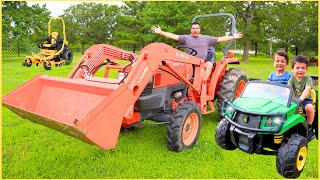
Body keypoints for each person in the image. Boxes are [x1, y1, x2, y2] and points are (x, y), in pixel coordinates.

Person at [151, 22, 243, 81]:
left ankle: (203, 82)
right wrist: (161, 32)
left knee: (209, 65)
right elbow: (173, 36)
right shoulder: (186, 38)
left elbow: (220, 39)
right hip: (188, 62)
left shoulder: (207, 39)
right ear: (191, 30)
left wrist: (233, 37)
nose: (195, 30)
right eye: (193, 28)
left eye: (197, 28)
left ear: (199, 30)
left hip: (202, 62)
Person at [287, 55, 315, 139]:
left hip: (305, 100)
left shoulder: (307, 78)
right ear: (292, 69)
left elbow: (307, 89)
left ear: (306, 69)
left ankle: (309, 126)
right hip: (294, 100)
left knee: (310, 108)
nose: (300, 70)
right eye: (297, 68)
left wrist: (300, 100)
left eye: (303, 68)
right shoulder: (291, 79)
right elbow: (289, 90)